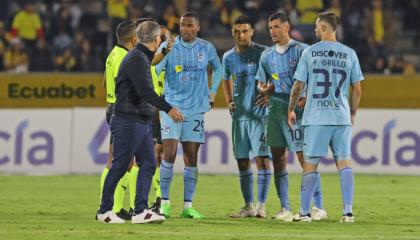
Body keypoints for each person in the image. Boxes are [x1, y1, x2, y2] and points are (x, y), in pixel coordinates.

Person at [96, 20, 184, 224]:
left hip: (140, 120)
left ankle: (140, 211)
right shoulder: (136, 59)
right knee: (119, 166)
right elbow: (146, 91)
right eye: (159, 37)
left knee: (148, 163)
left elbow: (151, 59)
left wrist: (164, 50)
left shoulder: (139, 56)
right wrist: (168, 108)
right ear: (156, 38)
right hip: (129, 120)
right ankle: (104, 211)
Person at [287, 12, 363, 223]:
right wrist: (353, 112)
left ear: (323, 28)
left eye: (316, 26)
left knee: (310, 164)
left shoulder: (310, 53)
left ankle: (303, 213)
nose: (314, 29)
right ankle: (348, 212)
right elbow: (357, 89)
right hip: (341, 117)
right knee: (344, 164)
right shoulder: (349, 53)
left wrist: (291, 108)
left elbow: (298, 85)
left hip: (316, 117)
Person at [255, 11, 326, 221]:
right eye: (270, 28)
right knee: (277, 157)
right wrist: (264, 90)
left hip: (299, 110)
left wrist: (305, 100)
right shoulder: (266, 55)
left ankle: (318, 206)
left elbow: (315, 80)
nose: (273, 31)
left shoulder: (303, 51)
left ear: (287, 27)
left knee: (305, 158)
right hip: (275, 110)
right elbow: (261, 83)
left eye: (277, 27)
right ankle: (284, 207)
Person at [155, 12, 222, 219]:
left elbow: (218, 69)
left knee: (191, 158)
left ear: (198, 27)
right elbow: (154, 69)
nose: (186, 29)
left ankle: (187, 207)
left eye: (190, 25)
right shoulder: (169, 47)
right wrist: (159, 97)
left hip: (195, 110)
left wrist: (212, 93)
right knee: (169, 153)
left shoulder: (206, 48)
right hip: (171, 108)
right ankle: (164, 203)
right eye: (183, 25)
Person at [221, 15, 271, 218]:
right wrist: (229, 100)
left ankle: (261, 206)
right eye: (237, 31)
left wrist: (270, 94)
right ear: (233, 33)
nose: (241, 35)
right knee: (242, 161)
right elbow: (225, 79)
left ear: (252, 32)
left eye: (244, 31)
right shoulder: (228, 57)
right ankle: (249, 206)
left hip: (260, 117)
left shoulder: (263, 53)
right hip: (239, 117)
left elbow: (277, 75)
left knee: (262, 160)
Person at [99, 20, 138, 221]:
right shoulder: (126, 57)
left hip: (112, 106)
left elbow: (105, 82)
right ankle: (108, 209)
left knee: (121, 161)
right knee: (119, 162)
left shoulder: (112, 54)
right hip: (122, 110)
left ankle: (114, 208)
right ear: (133, 38)